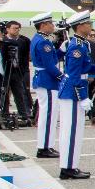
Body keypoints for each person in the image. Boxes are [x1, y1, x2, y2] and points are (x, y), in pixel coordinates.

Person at [57, 11, 95, 179]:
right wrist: (83, 96)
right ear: (79, 26)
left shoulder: (81, 43)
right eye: (87, 24)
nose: (90, 27)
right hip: (72, 91)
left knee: (75, 130)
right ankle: (67, 167)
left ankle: (71, 165)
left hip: (74, 89)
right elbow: (75, 74)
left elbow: (85, 68)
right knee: (71, 130)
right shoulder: (77, 45)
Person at [29, 12, 64, 158]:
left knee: (48, 113)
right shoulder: (43, 42)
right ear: (43, 25)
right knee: (48, 114)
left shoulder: (40, 39)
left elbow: (52, 57)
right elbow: (50, 65)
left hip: (44, 79)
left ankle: (46, 145)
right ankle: (44, 147)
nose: (53, 26)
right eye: (50, 23)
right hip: (47, 80)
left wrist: (61, 50)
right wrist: (62, 77)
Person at [2, 20, 32, 121]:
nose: (17, 30)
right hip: (6, 70)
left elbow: (27, 55)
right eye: (14, 28)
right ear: (7, 29)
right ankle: (4, 113)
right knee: (4, 92)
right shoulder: (3, 40)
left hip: (20, 69)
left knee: (21, 92)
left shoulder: (24, 40)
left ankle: (24, 113)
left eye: (18, 28)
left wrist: (25, 68)